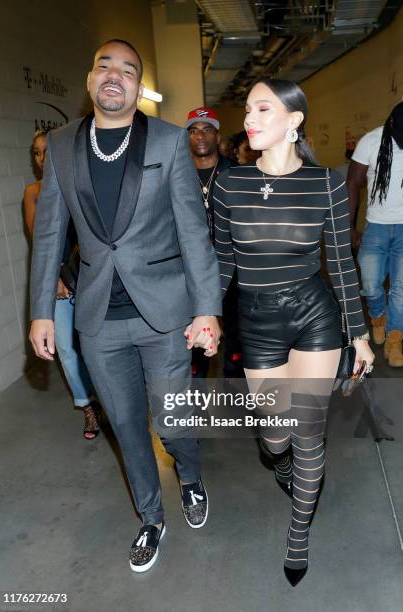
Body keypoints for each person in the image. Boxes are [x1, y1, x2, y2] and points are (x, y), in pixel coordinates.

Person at [29, 39, 222, 572]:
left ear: (140, 88)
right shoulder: (63, 144)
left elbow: (193, 231)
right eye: (104, 66)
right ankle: (151, 518)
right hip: (97, 319)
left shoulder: (168, 140)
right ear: (90, 81)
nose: (115, 75)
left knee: (172, 418)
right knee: (126, 424)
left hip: (164, 312)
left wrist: (208, 309)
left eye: (128, 70)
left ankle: (190, 475)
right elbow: (49, 234)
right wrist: (41, 310)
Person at [214, 78, 374, 586]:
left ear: (294, 120)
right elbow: (220, 261)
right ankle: (280, 464)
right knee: (274, 437)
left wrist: (360, 333)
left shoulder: (325, 183)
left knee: (307, 433)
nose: (250, 118)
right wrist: (204, 316)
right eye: (247, 109)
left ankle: (298, 533)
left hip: (314, 316)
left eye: (263, 108)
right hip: (257, 321)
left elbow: (342, 264)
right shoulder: (229, 183)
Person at [24, 130, 99, 439]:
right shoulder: (33, 191)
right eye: (38, 152)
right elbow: (38, 239)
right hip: (59, 280)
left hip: (92, 274)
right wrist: (53, 277)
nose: (43, 157)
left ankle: (111, 397)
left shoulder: (79, 184)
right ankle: (88, 407)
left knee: (97, 343)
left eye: (47, 150)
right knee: (66, 348)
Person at [186, 106, 243, 378]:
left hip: (233, 265)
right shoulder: (178, 175)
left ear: (217, 136)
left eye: (207, 130)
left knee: (236, 333)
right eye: (194, 130)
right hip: (193, 268)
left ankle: (237, 394)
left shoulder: (236, 174)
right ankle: (196, 401)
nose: (200, 136)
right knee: (196, 335)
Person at [347, 103, 403, 366]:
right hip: (376, 228)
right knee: (370, 285)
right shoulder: (371, 141)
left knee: (401, 291)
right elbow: (353, 184)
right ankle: (377, 316)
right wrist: (349, 227)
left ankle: (394, 340)